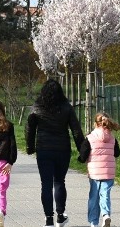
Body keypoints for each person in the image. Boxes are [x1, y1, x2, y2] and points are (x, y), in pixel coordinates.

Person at [25, 79, 84, 227]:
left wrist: (30, 147)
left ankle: (48, 218)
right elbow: (76, 131)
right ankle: (60, 215)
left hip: (43, 149)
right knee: (59, 181)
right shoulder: (66, 108)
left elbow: (29, 128)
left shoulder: (37, 107)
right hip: (62, 149)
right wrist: (83, 151)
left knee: (45, 184)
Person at [78, 112, 120, 227]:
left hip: (95, 173)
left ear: (95, 124)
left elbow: (83, 156)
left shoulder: (90, 138)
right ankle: (106, 214)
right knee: (105, 194)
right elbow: (117, 153)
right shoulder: (112, 138)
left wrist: (80, 159)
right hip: (108, 173)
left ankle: (93, 223)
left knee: (94, 197)